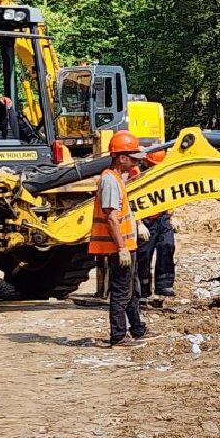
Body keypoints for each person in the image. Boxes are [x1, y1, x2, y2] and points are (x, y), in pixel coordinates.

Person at [88, 131, 148, 346]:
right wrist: (121, 248)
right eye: (133, 158)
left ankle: (136, 329)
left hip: (126, 246)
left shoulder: (117, 179)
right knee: (122, 292)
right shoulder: (110, 181)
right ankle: (119, 335)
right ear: (122, 158)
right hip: (118, 248)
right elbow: (112, 218)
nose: (136, 162)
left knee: (132, 290)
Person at [136, 150, 177, 299]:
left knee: (167, 245)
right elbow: (132, 200)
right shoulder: (137, 176)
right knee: (144, 254)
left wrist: (171, 216)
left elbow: (170, 194)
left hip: (162, 217)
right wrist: (139, 223)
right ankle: (143, 287)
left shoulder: (164, 174)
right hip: (146, 219)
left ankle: (164, 284)